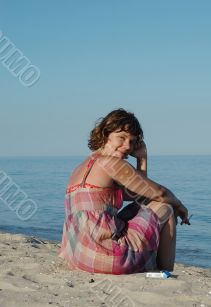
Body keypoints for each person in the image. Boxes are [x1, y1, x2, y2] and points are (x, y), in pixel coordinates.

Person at [58, 108, 190, 274]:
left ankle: (157, 267)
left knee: (143, 205)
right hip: (107, 257)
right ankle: (164, 272)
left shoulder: (80, 167)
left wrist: (142, 159)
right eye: (121, 137)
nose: (127, 146)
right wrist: (179, 206)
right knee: (167, 208)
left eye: (132, 141)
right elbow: (159, 193)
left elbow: (140, 195)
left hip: (79, 257)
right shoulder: (111, 164)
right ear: (105, 135)